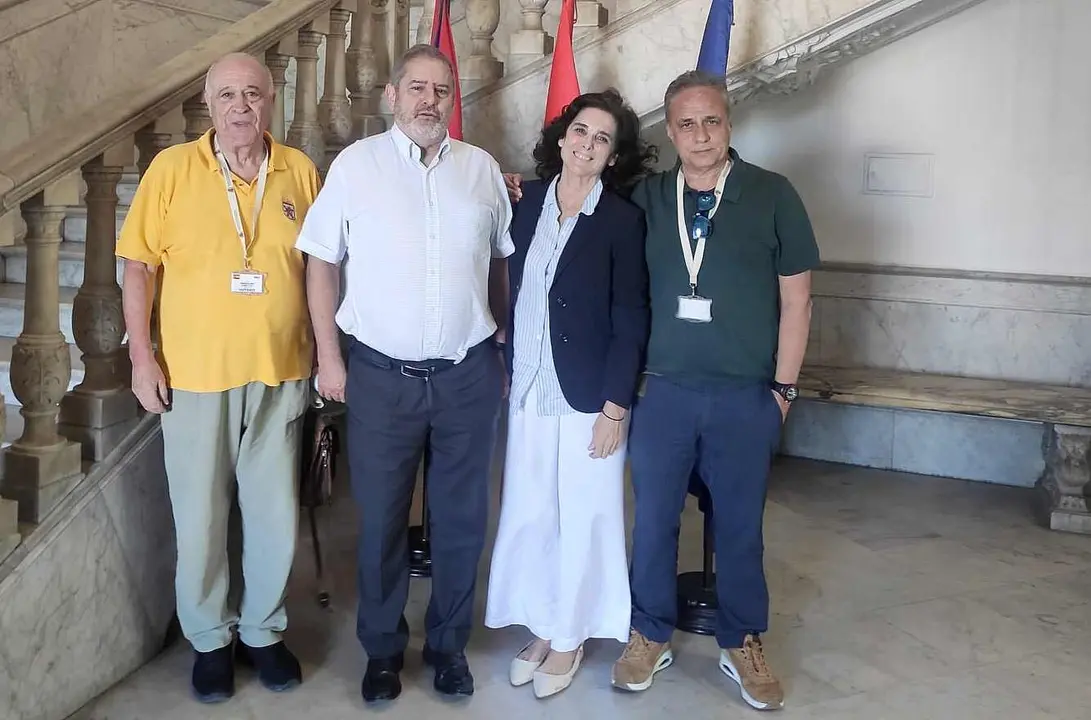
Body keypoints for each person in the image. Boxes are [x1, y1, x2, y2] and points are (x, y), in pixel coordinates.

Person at [505, 69, 819, 711]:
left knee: (739, 526)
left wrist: (784, 391)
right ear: (670, 131)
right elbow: (587, 217)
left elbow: (799, 300)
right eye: (685, 123)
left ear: (728, 124)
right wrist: (516, 186)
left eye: (712, 121)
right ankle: (649, 633)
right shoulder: (647, 198)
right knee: (652, 522)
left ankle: (743, 640)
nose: (699, 134)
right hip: (662, 392)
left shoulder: (773, 193)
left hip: (744, 392)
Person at [296, 44, 513, 704]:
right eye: (416, 88)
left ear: (454, 101)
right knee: (383, 521)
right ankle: (383, 651)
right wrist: (329, 357)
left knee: (460, 520)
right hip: (380, 380)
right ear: (391, 97)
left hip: (465, 378)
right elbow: (320, 263)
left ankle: (448, 648)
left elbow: (499, 261)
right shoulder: (354, 167)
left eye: (441, 90)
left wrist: (497, 340)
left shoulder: (480, 171)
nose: (428, 100)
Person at [117, 52, 320, 703]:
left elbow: (320, 267)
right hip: (194, 376)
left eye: (253, 94)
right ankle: (209, 638)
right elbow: (137, 268)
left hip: (280, 370)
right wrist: (142, 359)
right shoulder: (171, 170)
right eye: (228, 95)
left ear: (270, 101)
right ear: (209, 105)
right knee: (200, 515)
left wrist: (324, 352)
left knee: (272, 514)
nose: (241, 106)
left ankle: (262, 631)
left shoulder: (300, 171)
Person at [483, 89, 654, 699]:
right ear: (562, 137)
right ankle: (542, 622)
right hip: (528, 382)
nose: (587, 145)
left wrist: (617, 405)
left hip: (590, 396)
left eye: (602, 139)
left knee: (586, 513)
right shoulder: (525, 203)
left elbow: (632, 316)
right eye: (580, 131)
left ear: (613, 156)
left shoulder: (621, 220)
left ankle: (574, 631)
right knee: (531, 508)